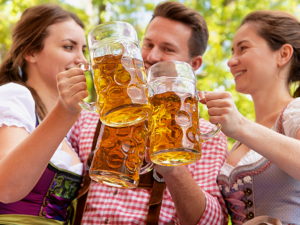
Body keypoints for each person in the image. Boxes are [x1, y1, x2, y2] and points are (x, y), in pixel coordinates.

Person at [68, 1, 229, 224]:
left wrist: (174, 172)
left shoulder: (206, 137)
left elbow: (214, 222)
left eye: (168, 49)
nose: (152, 56)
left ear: (193, 65)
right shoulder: (87, 120)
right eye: (148, 44)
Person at [202, 10, 300, 224]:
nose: (230, 61)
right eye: (231, 51)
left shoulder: (296, 112)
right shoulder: (237, 144)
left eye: (243, 48)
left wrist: (240, 126)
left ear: (283, 54)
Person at [0, 4, 88, 224]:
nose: (82, 60)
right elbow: (6, 187)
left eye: (83, 50)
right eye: (69, 47)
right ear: (31, 51)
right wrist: (64, 112)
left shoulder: (69, 129)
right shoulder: (15, 96)